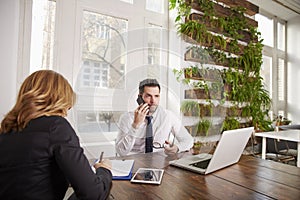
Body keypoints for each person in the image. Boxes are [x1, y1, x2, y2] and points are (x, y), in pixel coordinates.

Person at [0, 70, 112, 200]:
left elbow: (30, 177)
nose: (65, 113)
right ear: (57, 101)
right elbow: (93, 194)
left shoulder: (6, 129)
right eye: (66, 107)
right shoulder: (55, 126)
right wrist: (104, 170)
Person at [116, 78, 193, 156]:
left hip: (159, 162)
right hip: (134, 162)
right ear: (140, 97)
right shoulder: (126, 118)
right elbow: (121, 152)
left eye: (156, 96)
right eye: (148, 96)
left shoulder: (168, 116)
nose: (153, 101)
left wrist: (177, 148)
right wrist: (135, 125)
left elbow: (188, 140)